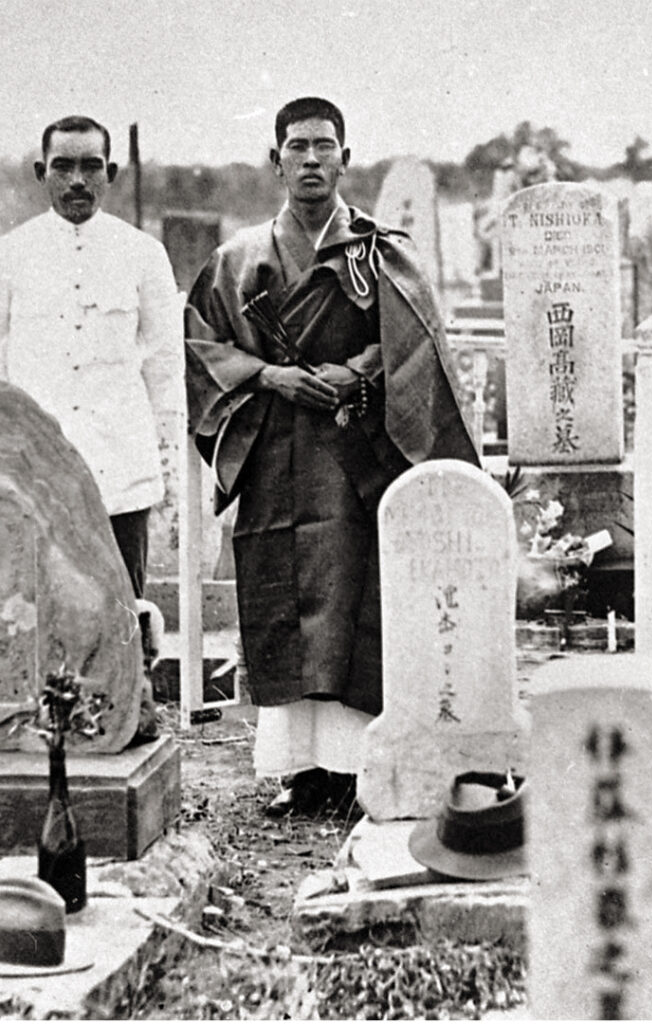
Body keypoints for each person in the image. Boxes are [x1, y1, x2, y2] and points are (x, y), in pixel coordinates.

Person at [185, 97, 478, 817]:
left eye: (324, 146)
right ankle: (299, 771)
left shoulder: (381, 250)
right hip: (276, 448)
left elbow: (415, 340)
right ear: (275, 158)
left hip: (357, 454)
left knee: (356, 604)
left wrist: (357, 372)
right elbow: (204, 346)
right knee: (282, 598)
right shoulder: (237, 260)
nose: (311, 159)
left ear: (345, 156)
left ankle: (354, 771)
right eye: (297, 146)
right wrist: (270, 376)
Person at [0, 115, 182, 601]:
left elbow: (165, 370)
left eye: (90, 166)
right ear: (41, 173)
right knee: (34, 619)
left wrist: (166, 471)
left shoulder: (144, 255)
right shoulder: (11, 257)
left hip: (120, 476)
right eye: (62, 167)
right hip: (34, 479)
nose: (77, 181)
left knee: (124, 617)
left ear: (111, 172)